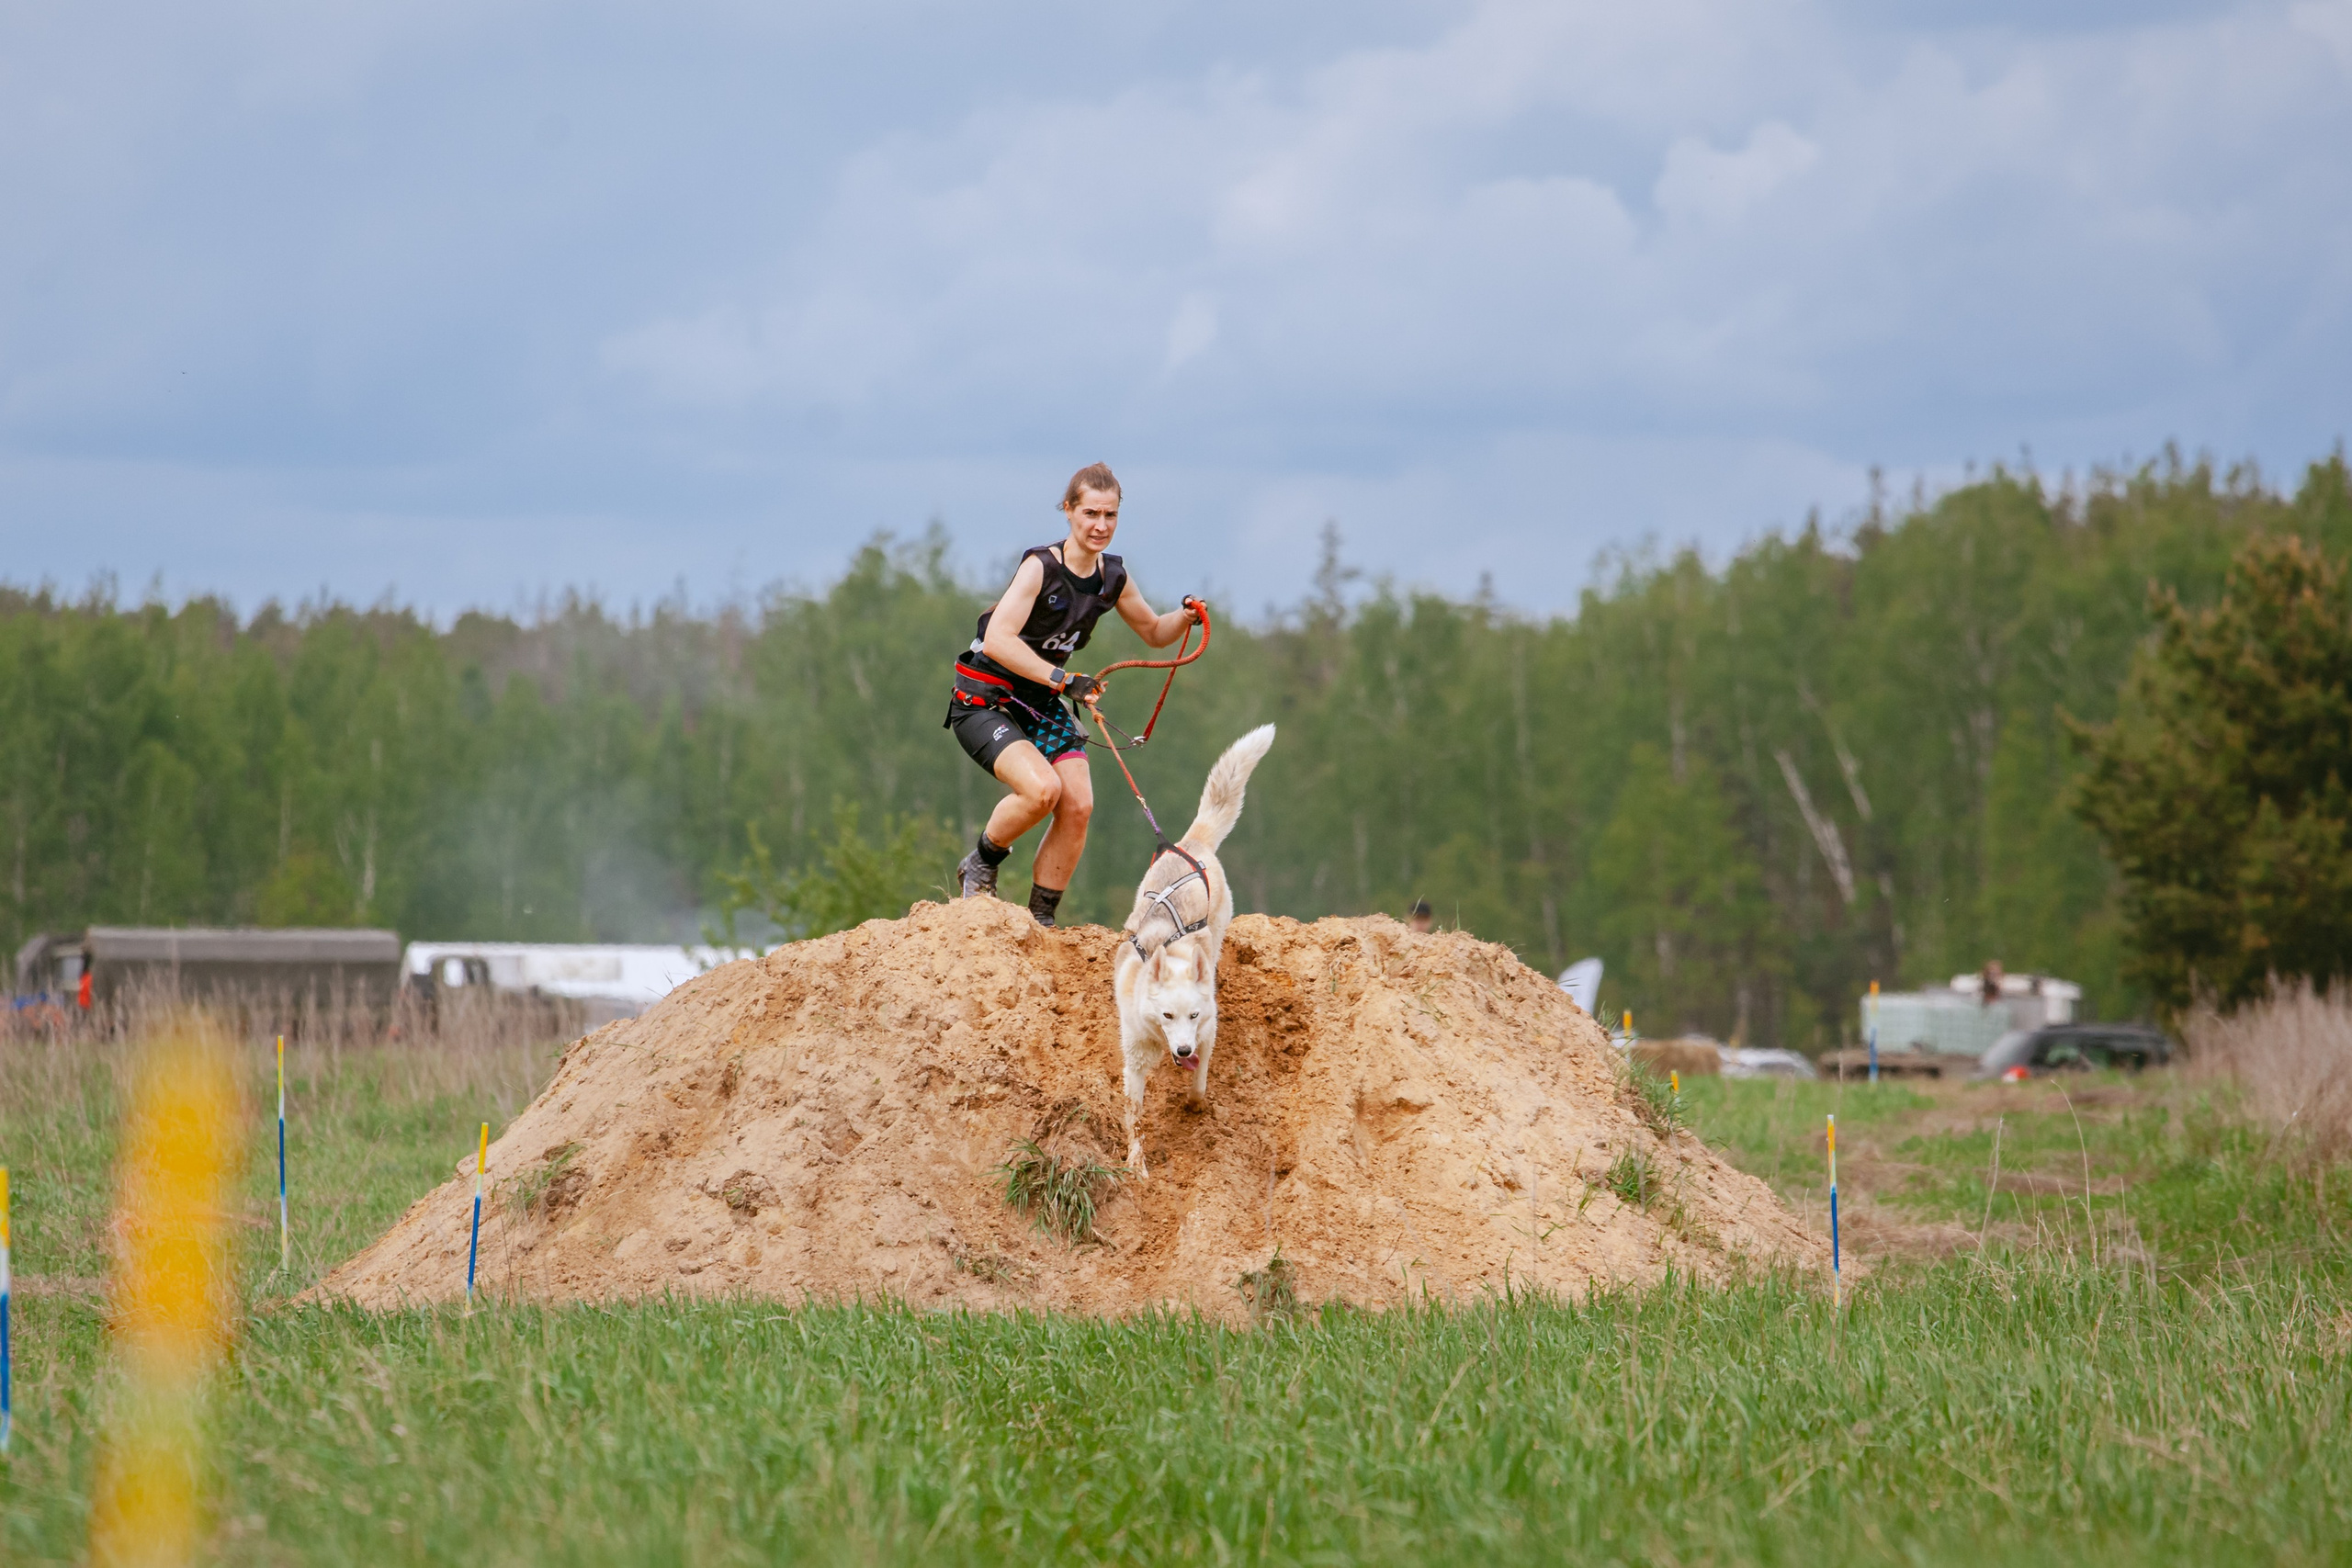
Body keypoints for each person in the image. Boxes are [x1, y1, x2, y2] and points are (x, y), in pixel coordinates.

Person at [946, 463, 1205, 926]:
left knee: (1079, 804)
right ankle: (982, 862)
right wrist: (1064, 681)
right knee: (1042, 790)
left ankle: (1042, 917)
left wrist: (1184, 618)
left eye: (1110, 516)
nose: (1100, 526)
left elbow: (1152, 631)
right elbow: (1000, 641)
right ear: (1068, 511)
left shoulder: (1113, 578)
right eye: (1090, 513)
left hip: (1041, 703)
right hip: (986, 699)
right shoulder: (1039, 567)